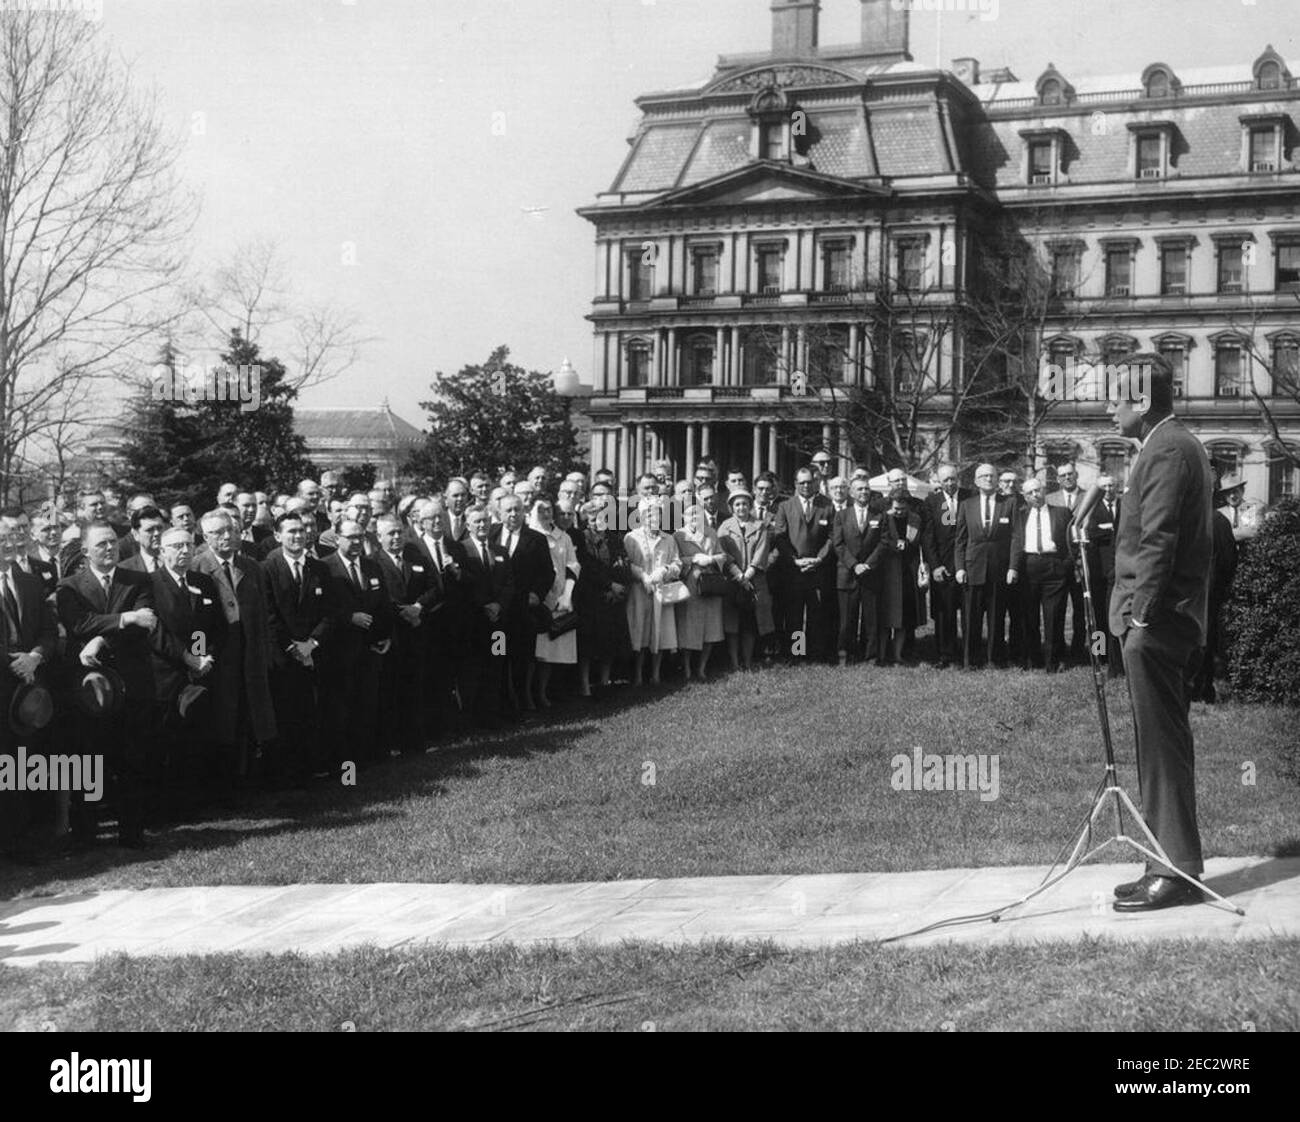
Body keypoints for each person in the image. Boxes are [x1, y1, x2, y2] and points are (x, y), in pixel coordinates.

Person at [1106, 353, 1214, 912]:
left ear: (1142, 402)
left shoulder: (1168, 449)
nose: (1109, 409)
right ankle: (1163, 860)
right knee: (1156, 744)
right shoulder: (1169, 445)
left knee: (1163, 746)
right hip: (1162, 619)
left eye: (1117, 398)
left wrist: (1140, 615)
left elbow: (1160, 539)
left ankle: (1177, 870)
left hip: (1159, 622)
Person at [56, 522, 158, 847]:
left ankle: (132, 833)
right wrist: (124, 618)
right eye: (101, 544)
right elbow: (78, 623)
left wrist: (100, 639)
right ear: (85, 551)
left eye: (113, 542)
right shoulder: (70, 587)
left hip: (131, 683)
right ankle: (86, 833)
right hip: (89, 689)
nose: (109, 548)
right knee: (89, 761)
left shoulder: (138, 580)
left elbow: (146, 625)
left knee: (131, 758)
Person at [191, 510, 278, 792]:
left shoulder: (252, 567)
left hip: (249, 653)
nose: (227, 536)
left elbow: (263, 616)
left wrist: (265, 654)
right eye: (217, 532)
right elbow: (194, 623)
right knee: (222, 720)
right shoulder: (196, 568)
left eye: (230, 529)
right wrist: (198, 656)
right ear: (205, 537)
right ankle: (222, 786)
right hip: (217, 656)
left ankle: (248, 780)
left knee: (250, 716)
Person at [263, 511, 334, 785]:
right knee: (285, 715)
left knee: (312, 713)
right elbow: (269, 615)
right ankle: (285, 776)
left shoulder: (320, 568)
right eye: (291, 531)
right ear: (278, 536)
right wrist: (293, 648)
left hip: (314, 653)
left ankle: (311, 770)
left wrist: (312, 644)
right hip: (282, 656)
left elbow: (330, 612)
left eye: (302, 530)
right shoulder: (267, 569)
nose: (298, 535)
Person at [319, 519, 393, 767]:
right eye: (350, 537)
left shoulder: (372, 567)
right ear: (337, 537)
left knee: (367, 704)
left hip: (370, 649)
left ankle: (366, 759)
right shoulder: (325, 567)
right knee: (341, 708)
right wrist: (348, 617)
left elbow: (383, 604)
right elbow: (322, 607)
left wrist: (385, 637)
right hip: (339, 651)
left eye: (360, 537)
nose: (356, 542)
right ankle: (343, 764)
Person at [491, 494, 554, 714]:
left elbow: (548, 573)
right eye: (508, 510)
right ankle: (499, 703)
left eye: (517, 509)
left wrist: (537, 593)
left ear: (523, 512)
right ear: (499, 512)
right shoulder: (491, 535)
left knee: (522, 658)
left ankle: (521, 702)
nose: (513, 514)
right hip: (498, 617)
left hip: (522, 613)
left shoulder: (536, 539)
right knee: (498, 655)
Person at [1009, 478, 1075, 673]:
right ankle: (1032, 658)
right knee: (1029, 617)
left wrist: (1066, 566)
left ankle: (1053, 661)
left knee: (1054, 616)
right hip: (1029, 567)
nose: (1035, 495)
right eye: (1030, 493)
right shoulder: (1020, 515)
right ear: (1024, 496)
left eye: (1037, 490)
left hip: (1054, 567)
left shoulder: (1062, 513)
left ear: (1044, 490)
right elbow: (1014, 541)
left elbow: (1072, 542)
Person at [954, 464, 1015, 669]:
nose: (989, 479)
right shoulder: (966, 504)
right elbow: (960, 540)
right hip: (973, 569)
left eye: (992, 475)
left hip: (999, 569)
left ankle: (995, 659)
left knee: (997, 617)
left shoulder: (1009, 503)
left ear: (997, 480)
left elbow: (1016, 538)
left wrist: (1013, 567)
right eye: (984, 476)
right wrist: (960, 567)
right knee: (971, 618)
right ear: (976, 481)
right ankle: (970, 660)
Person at [773, 466, 834, 662]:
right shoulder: (785, 506)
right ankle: (797, 652)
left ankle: (815, 653)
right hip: (794, 570)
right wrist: (795, 560)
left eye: (809, 482)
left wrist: (819, 559)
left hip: (817, 569)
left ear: (815, 482)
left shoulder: (827, 506)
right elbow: (780, 537)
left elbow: (832, 537)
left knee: (816, 613)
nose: (806, 486)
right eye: (802, 482)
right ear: (795, 484)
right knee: (795, 614)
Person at [624, 497, 680, 686]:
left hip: (661, 591)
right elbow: (627, 563)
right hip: (640, 591)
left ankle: (656, 673)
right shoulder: (631, 537)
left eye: (656, 513)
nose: (652, 517)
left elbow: (677, 563)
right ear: (640, 516)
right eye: (648, 513)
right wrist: (642, 575)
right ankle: (638, 674)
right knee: (640, 632)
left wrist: (664, 571)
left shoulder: (668, 539)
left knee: (660, 632)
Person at [529, 499, 579, 708]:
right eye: (541, 509)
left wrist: (566, 595)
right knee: (531, 651)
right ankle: (527, 694)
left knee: (553, 650)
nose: (546, 513)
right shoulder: (529, 534)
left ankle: (546, 693)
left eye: (549, 509)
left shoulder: (563, 537)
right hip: (535, 600)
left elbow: (573, 566)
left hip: (559, 598)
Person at [831, 477, 886, 666]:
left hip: (871, 574)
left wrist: (868, 564)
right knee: (847, 619)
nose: (864, 492)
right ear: (851, 493)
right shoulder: (841, 516)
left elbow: (883, 542)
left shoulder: (879, 515)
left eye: (866, 489)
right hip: (848, 574)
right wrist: (854, 565)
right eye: (860, 489)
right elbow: (838, 544)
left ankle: (871, 656)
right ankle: (846, 655)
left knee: (872, 619)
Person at [717, 488, 773, 671]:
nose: (741, 507)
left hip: (753, 580)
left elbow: (762, 551)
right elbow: (721, 552)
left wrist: (748, 573)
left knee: (750, 623)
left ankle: (748, 661)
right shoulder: (724, 527)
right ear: (732, 507)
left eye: (745, 504)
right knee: (733, 624)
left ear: (750, 505)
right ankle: (734, 663)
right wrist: (737, 573)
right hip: (732, 581)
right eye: (737, 504)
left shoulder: (760, 526)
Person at [922, 465, 969, 668]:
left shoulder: (970, 497)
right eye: (945, 480)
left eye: (953, 479)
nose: (950, 483)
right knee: (944, 613)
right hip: (943, 567)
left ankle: (968, 653)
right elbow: (928, 537)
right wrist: (935, 566)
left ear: (958, 479)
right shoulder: (932, 502)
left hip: (967, 564)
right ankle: (946, 654)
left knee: (969, 611)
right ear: (939, 482)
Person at [674, 503, 726, 682]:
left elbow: (722, 555)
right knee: (689, 627)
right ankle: (687, 667)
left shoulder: (711, 532)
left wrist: (711, 559)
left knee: (711, 627)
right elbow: (675, 560)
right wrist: (693, 559)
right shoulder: (679, 535)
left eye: (697, 514)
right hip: (691, 585)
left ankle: (702, 667)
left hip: (711, 583)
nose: (694, 518)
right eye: (690, 514)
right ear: (683, 517)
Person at [875, 491, 924, 665]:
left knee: (904, 618)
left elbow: (919, 544)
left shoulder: (915, 520)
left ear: (908, 506)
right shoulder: (883, 519)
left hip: (907, 572)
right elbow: (879, 541)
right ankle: (881, 655)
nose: (899, 512)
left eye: (903, 508)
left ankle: (898, 654)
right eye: (896, 508)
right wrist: (895, 544)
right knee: (886, 617)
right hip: (887, 573)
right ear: (890, 505)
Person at [1082, 475, 1123, 679]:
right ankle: (1100, 653)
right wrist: (1110, 532)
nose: (1108, 489)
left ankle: (1118, 658)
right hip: (1098, 570)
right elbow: (1091, 534)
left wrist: (1106, 531)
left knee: (1114, 614)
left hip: (1118, 569)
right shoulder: (1094, 509)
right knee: (1098, 617)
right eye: (1104, 486)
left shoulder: (1123, 507)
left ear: (1117, 487)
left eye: (1111, 485)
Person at [1047, 462, 1088, 662]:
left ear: (1076, 475)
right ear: (1057, 479)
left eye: (1070, 474)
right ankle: (1058, 651)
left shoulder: (1089, 497)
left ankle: (1084, 651)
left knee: (1084, 611)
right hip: (1058, 564)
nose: (1067, 478)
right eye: (1062, 475)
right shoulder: (1050, 499)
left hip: (1085, 562)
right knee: (1057, 610)